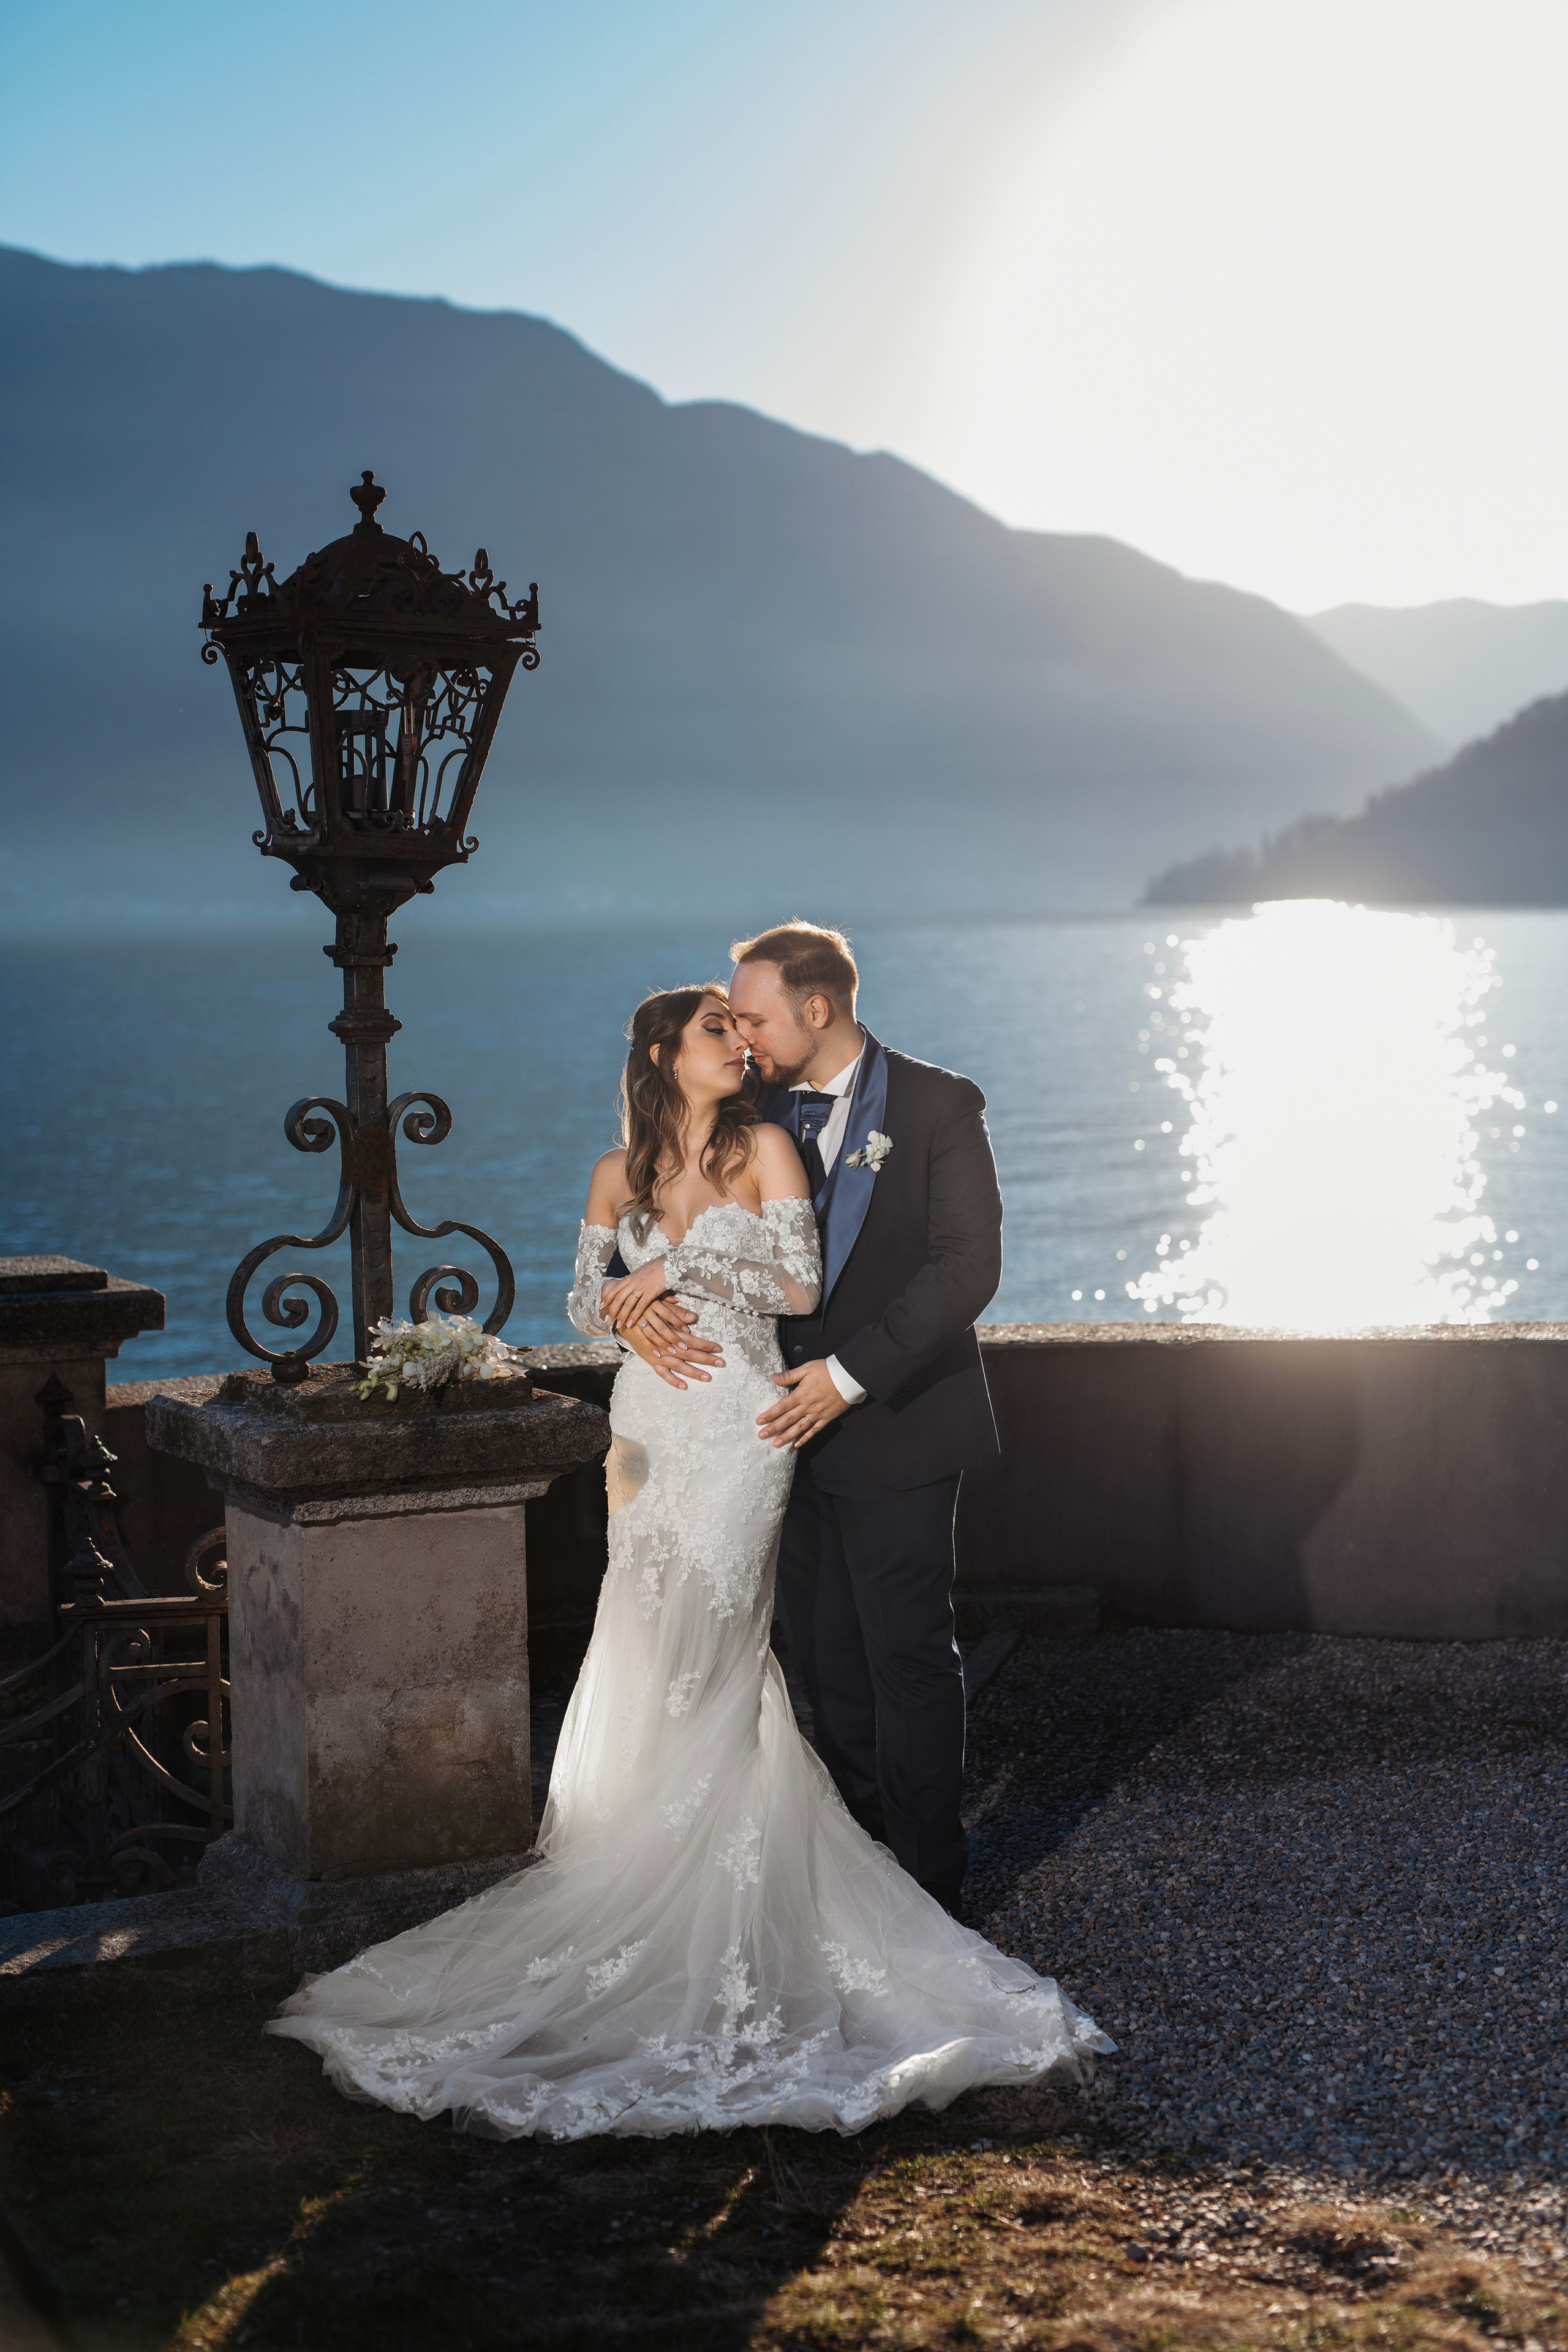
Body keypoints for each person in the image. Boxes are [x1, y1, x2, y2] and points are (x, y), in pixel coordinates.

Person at [270, 984, 1109, 2139]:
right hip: (647, 1431)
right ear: (664, 1052)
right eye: (717, 1025)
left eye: (742, 1020)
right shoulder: (616, 1172)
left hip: (737, 1430)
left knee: (718, 1647)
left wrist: (678, 1277)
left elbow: (801, 1286)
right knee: (642, 1635)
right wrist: (625, 1317)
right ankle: (637, 1881)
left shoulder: (766, 1144)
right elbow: (579, 1295)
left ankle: (726, 1897)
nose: (741, 1040)